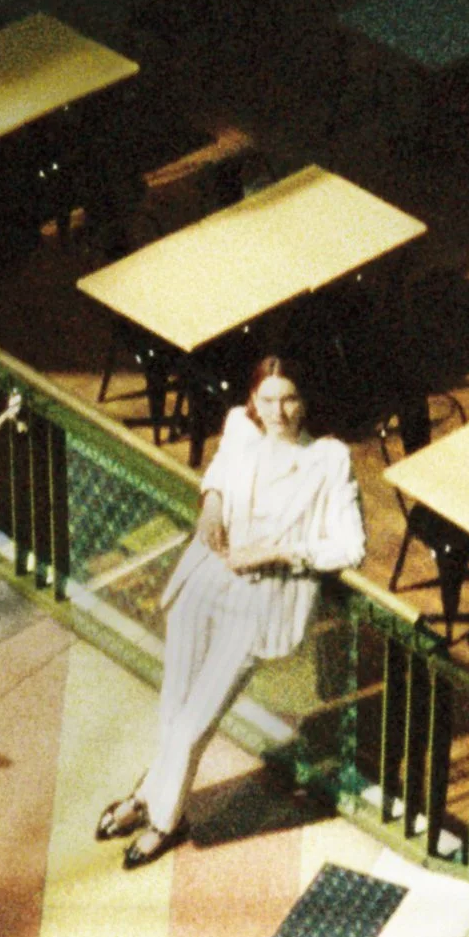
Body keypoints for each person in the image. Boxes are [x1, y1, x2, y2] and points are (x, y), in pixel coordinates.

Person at [98, 356, 366, 869]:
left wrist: (276, 552)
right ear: (253, 400)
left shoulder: (328, 459)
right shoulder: (241, 427)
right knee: (174, 709)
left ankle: (164, 820)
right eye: (267, 399)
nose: (278, 412)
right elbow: (220, 469)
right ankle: (149, 798)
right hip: (206, 577)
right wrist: (213, 503)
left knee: (194, 724)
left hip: (261, 598)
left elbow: (350, 547)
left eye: (289, 399)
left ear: (307, 401)